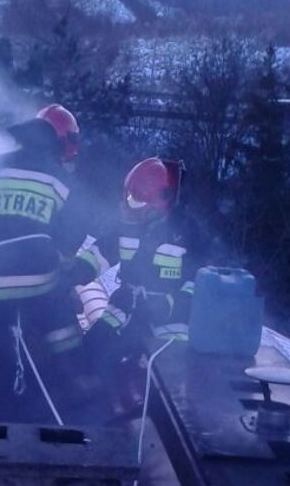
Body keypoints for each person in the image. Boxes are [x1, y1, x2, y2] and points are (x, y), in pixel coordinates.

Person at [0, 104, 91, 422]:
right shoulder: (63, 182)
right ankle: (75, 389)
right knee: (61, 324)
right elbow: (74, 235)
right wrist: (67, 271)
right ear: (63, 141)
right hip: (39, 281)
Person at [83, 156, 202, 412]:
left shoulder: (188, 232)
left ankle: (148, 416)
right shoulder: (126, 227)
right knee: (92, 350)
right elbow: (98, 253)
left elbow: (200, 278)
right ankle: (99, 406)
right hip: (126, 306)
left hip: (169, 322)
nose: (129, 208)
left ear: (160, 201)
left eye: (136, 201)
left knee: (161, 378)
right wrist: (74, 271)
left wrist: (178, 303)